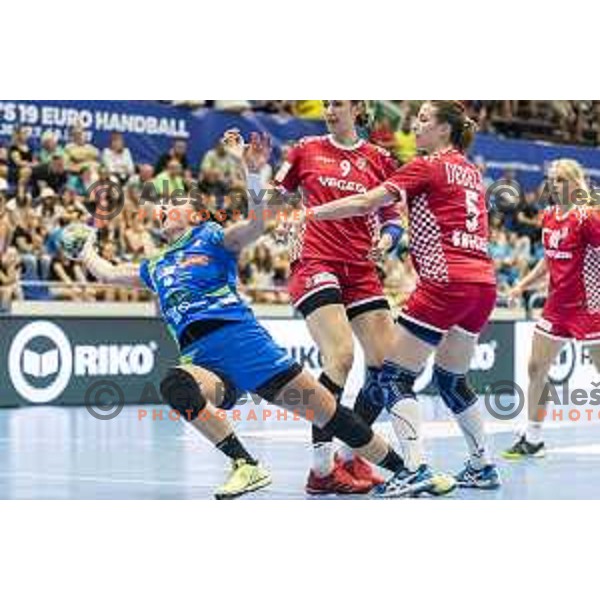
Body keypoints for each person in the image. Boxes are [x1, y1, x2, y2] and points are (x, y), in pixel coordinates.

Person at [72, 129, 454, 500]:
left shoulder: (213, 237)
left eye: (175, 201)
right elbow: (106, 272)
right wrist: (85, 250)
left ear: (196, 214)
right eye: (162, 205)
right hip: (204, 361)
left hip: (248, 349)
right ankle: (245, 464)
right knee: (175, 386)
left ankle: (408, 471)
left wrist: (252, 171)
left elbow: (257, 223)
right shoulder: (154, 266)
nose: (165, 207)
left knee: (331, 416)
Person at [306, 101, 502, 491]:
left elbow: (366, 202)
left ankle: (413, 468)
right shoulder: (470, 171)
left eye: (425, 119)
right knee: (452, 380)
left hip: (445, 282)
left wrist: (312, 213)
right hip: (482, 284)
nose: (415, 125)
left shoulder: (427, 164)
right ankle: (482, 466)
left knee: (392, 377)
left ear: (445, 130)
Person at [273, 100, 426, 495]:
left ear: (357, 108)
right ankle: (320, 470)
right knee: (340, 357)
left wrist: (387, 241)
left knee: (386, 366)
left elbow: (392, 218)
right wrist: (281, 216)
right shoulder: (305, 148)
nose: (329, 109)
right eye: (325, 103)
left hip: (360, 269)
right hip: (314, 261)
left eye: (337, 103)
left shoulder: (379, 158)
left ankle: (347, 453)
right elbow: (275, 197)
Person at [503, 159, 600, 458]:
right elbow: (548, 261)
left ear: (574, 182)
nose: (553, 185)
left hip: (589, 306)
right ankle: (533, 439)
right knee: (535, 367)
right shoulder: (549, 217)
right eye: (551, 179)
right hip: (556, 307)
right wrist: (521, 285)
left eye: (559, 179)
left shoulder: (588, 218)